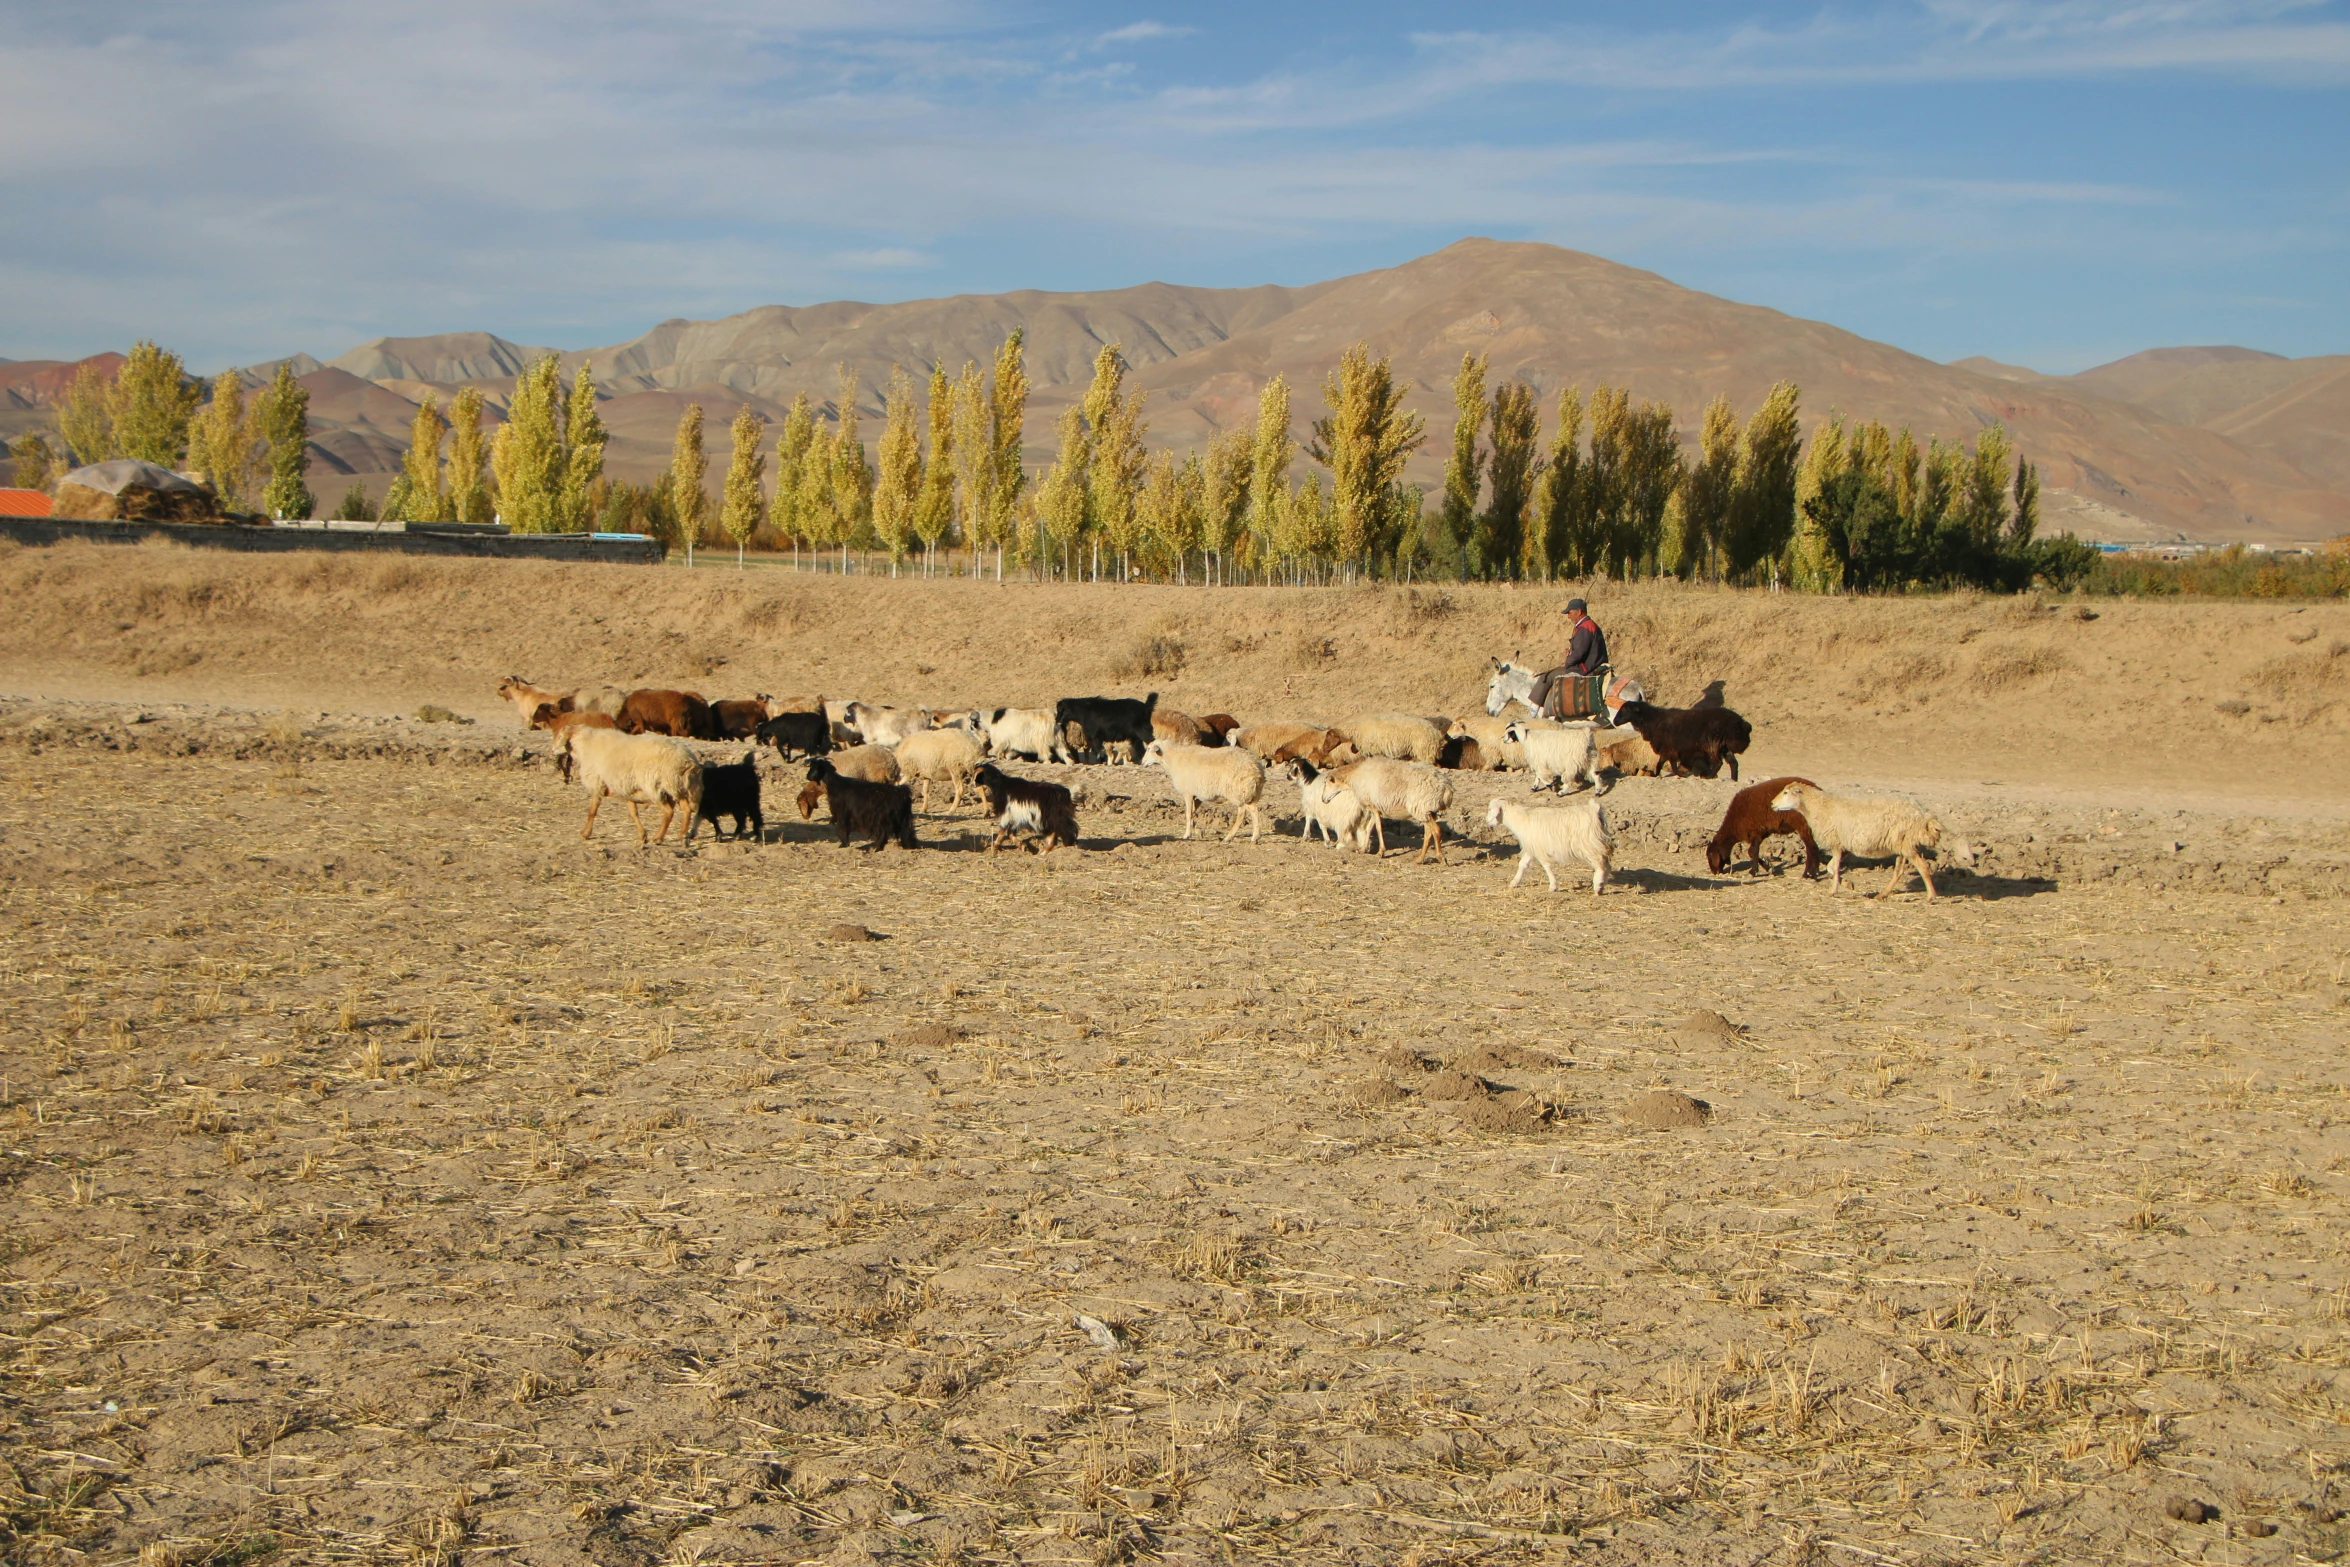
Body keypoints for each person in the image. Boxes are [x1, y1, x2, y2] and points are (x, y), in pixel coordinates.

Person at [1529, 598, 1609, 717]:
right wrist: (1571, 653)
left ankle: (1533, 712)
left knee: (1547, 677)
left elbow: (1579, 653)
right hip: (1591, 663)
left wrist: (1567, 663)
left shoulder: (1585, 627)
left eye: (1570, 613)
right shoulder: (1588, 625)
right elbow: (1582, 650)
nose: (1568, 616)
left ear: (1579, 611)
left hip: (1586, 668)